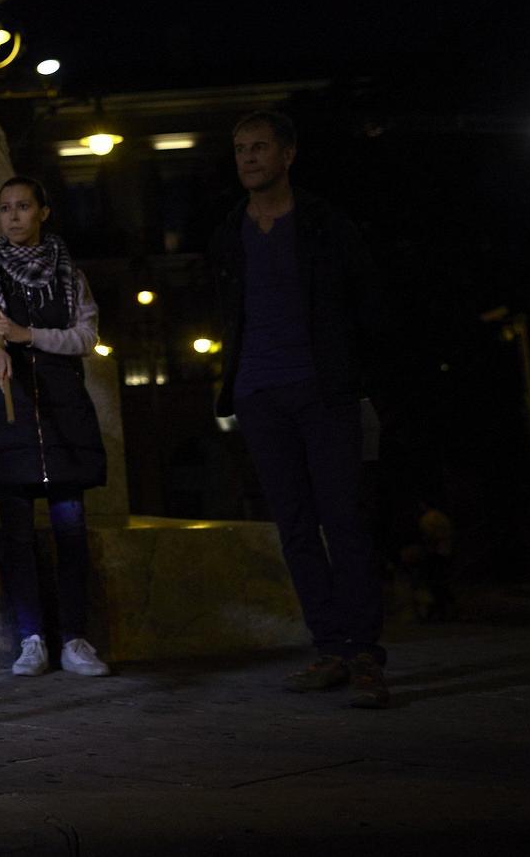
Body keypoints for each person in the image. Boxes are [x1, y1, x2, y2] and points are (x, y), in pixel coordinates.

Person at [209, 111, 388, 708]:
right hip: (260, 395)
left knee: (345, 523)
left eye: (259, 148)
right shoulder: (231, 229)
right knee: (295, 530)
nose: (248, 159)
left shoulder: (325, 225)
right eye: (239, 150)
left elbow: (367, 305)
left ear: (288, 154)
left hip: (324, 391)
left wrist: (354, 376)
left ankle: (365, 653)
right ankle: (330, 648)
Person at [0, 176, 111, 678]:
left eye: (23, 206)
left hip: (61, 410)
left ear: (43, 211)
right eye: (5, 208)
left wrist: (30, 335)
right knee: (17, 533)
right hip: (8, 411)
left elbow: (86, 335)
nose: (12, 216)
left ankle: (75, 638)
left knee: (70, 529)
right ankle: (31, 639)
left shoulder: (70, 275)